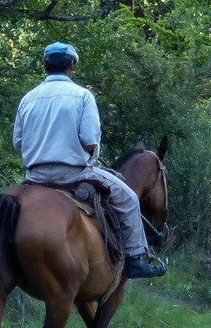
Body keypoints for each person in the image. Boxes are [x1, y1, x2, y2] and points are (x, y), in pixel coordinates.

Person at [13, 42, 166, 279]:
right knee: (128, 200)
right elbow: (89, 141)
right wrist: (88, 154)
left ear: (44, 65)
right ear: (71, 65)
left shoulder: (28, 99)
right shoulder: (83, 96)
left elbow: (19, 142)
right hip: (74, 174)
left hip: (35, 177)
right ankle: (135, 259)